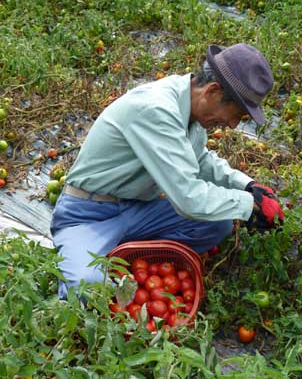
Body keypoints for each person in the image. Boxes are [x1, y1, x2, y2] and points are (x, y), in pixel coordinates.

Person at [51, 43, 284, 299]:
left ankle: (125, 257)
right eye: (236, 114)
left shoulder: (190, 110)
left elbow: (201, 160)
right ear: (213, 90)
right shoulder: (157, 109)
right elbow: (189, 197)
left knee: (217, 225)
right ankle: (98, 254)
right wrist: (248, 206)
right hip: (89, 215)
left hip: (139, 209)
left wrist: (247, 185)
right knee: (87, 289)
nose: (232, 124)